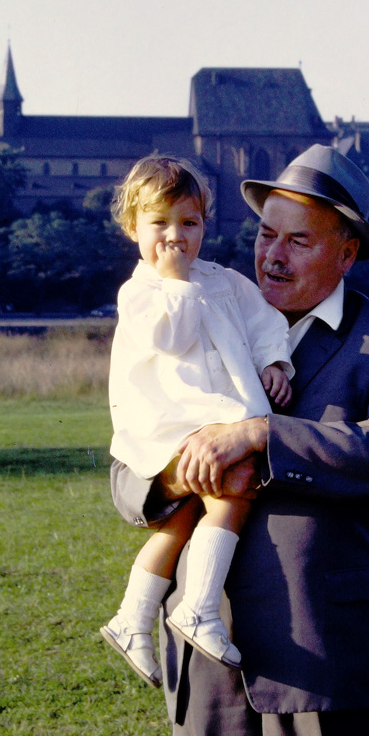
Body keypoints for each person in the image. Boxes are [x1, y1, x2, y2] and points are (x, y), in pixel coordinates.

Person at [111, 145, 369, 736]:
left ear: (346, 251)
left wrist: (260, 433)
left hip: (322, 651)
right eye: (265, 234)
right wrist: (173, 477)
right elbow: (127, 464)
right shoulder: (206, 306)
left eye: (299, 239)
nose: (273, 254)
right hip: (207, 653)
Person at [101, 154, 293, 689]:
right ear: (132, 227)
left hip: (216, 420)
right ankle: (198, 609)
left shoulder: (226, 281)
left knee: (183, 519)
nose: (175, 236)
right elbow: (172, 336)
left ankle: (133, 618)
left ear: (206, 225)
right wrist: (175, 279)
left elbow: (263, 322)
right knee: (234, 488)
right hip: (170, 425)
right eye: (159, 223)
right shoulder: (142, 292)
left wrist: (275, 360)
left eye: (189, 223)